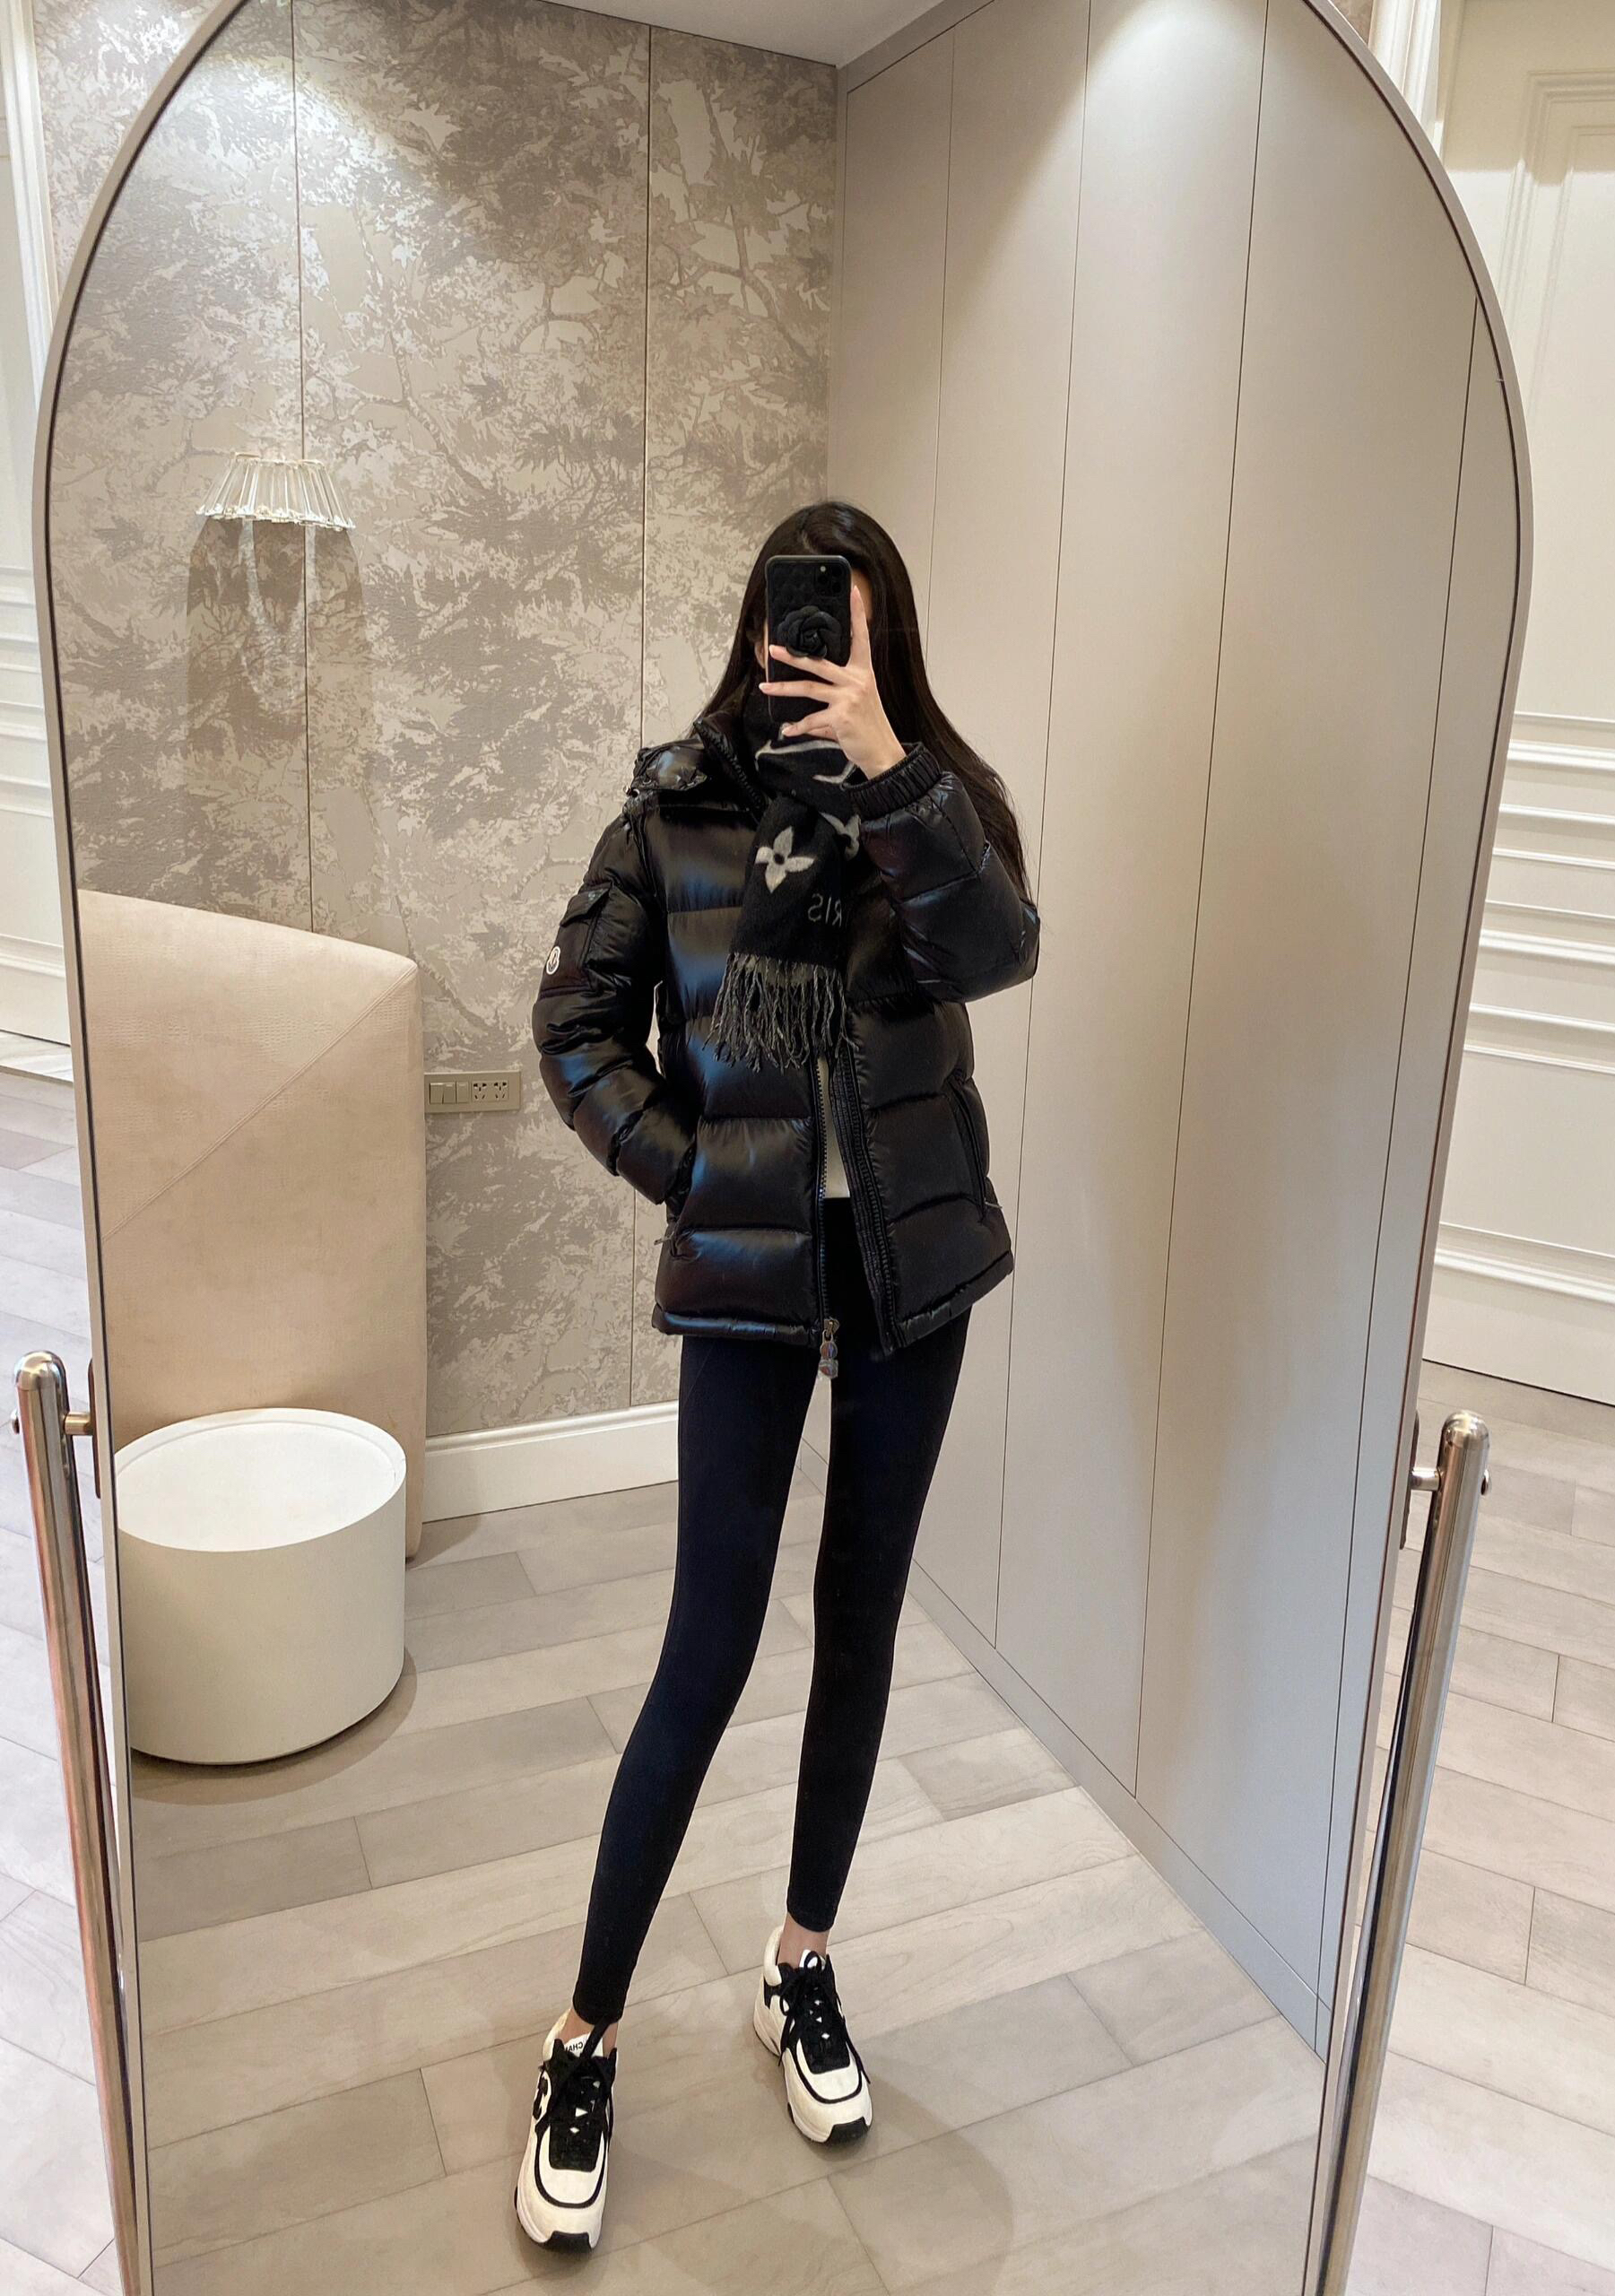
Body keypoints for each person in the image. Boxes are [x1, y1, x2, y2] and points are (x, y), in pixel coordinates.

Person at [517, 499, 1038, 2250]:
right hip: (751, 1281)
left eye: (850, 630)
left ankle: (799, 1959)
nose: (813, 652)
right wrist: (694, 1171)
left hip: (911, 1273)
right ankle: (584, 2033)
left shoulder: (937, 802)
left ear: (889, 646)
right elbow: (576, 1026)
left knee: (859, 1622)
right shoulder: (676, 808)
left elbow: (996, 953)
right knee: (709, 1643)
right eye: (796, 622)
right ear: (753, 629)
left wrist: (889, 771)